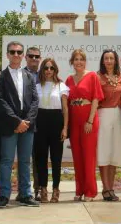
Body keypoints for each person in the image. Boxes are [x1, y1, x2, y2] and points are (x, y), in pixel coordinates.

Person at [0, 41, 39, 208]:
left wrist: (26, 121)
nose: (16, 55)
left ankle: (25, 194)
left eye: (19, 52)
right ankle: (4, 195)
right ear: (7, 55)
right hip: (9, 124)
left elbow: (35, 101)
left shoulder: (29, 76)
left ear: (23, 55)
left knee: (25, 161)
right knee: (6, 161)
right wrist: (16, 121)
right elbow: (0, 101)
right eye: (12, 52)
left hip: (27, 125)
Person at [66, 49, 104, 202]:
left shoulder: (92, 76)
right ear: (72, 62)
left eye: (81, 59)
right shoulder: (69, 79)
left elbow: (96, 99)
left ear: (85, 61)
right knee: (77, 156)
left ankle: (90, 191)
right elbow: (66, 103)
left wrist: (90, 120)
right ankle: (79, 189)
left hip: (88, 118)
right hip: (74, 119)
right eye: (76, 59)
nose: (79, 62)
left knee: (89, 156)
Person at [34, 58, 69, 203]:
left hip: (56, 122)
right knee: (41, 159)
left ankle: (56, 189)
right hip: (40, 122)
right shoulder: (35, 86)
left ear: (55, 70)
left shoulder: (61, 85)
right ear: (42, 70)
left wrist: (65, 128)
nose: (48, 71)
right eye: (46, 68)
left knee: (56, 159)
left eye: (51, 68)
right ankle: (43, 189)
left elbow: (65, 109)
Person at [97, 49, 121, 202]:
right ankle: (106, 188)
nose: (109, 61)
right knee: (104, 153)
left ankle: (112, 188)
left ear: (115, 60)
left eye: (111, 58)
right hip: (103, 115)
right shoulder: (97, 77)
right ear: (103, 61)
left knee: (115, 153)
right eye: (106, 58)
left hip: (119, 116)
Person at [23, 46, 42, 201]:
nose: (34, 59)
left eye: (37, 56)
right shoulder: (20, 74)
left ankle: (37, 189)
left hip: (41, 121)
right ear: (26, 57)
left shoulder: (45, 75)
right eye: (31, 56)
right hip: (24, 121)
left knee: (38, 158)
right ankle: (24, 190)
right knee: (23, 158)